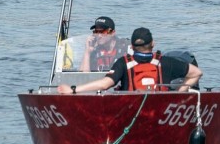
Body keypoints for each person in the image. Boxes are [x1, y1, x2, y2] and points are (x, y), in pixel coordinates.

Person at [58, 27, 202, 94]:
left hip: (129, 112)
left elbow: (105, 84)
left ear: (132, 46)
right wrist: (180, 92)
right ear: (153, 44)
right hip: (159, 112)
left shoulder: (123, 62)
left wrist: (74, 89)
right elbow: (197, 73)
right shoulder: (167, 62)